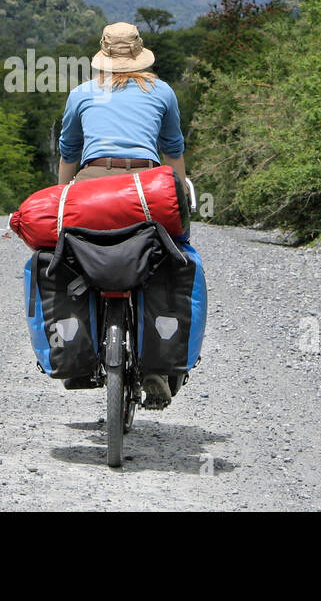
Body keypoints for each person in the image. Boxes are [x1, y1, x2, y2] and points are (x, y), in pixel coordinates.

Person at [56, 21, 186, 406]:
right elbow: (173, 150)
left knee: (71, 255)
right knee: (167, 259)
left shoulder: (81, 93)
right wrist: (178, 197)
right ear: (140, 55)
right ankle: (159, 368)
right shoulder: (162, 91)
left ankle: (77, 356)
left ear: (103, 57)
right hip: (147, 187)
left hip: (91, 185)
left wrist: (65, 196)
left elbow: (68, 152)